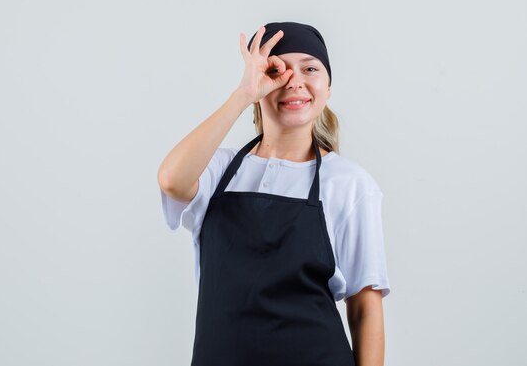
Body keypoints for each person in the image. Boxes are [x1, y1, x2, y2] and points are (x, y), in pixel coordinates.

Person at [157, 21, 391, 366]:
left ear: (327, 86)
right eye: (277, 69)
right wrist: (242, 95)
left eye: (310, 69)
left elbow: (365, 310)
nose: (295, 81)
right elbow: (171, 180)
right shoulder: (218, 170)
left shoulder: (349, 183)